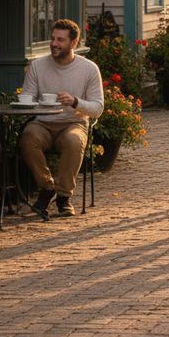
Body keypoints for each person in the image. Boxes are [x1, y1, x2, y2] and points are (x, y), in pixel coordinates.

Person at [20, 19, 104, 219]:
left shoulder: (89, 69)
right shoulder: (38, 66)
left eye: (60, 40)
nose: (54, 44)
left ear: (74, 43)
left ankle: (64, 197)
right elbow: (28, 98)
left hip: (73, 123)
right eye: (52, 39)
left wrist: (76, 102)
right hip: (43, 123)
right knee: (28, 136)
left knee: (74, 141)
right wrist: (30, 103)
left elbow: (98, 108)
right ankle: (46, 188)